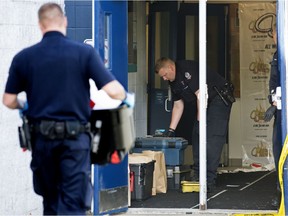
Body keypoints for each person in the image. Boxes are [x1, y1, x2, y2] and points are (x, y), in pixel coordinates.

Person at [2, 3, 131, 215]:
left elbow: (8, 100)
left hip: (42, 141)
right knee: (73, 202)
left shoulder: (24, 58)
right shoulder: (84, 53)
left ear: (40, 25)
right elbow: (115, 91)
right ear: (65, 21)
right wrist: (124, 100)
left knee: (50, 202)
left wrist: (23, 105)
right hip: (74, 141)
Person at [155, 57, 234, 192]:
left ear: (171, 68)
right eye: (162, 77)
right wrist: (171, 130)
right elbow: (178, 105)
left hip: (218, 98)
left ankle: (209, 179)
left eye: (165, 75)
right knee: (197, 135)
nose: (164, 79)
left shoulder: (187, 70)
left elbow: (201, 94)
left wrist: (200, 118)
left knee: (212, 138)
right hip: (204, 102)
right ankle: (198, 175)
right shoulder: (173, 82)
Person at [264, 23, 282, 208]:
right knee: (278, 150)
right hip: (280, 111)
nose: (273, 38)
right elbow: (275, 82)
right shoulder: (278, 55)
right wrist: (274, 103)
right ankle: (281, 192)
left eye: (274, 34)